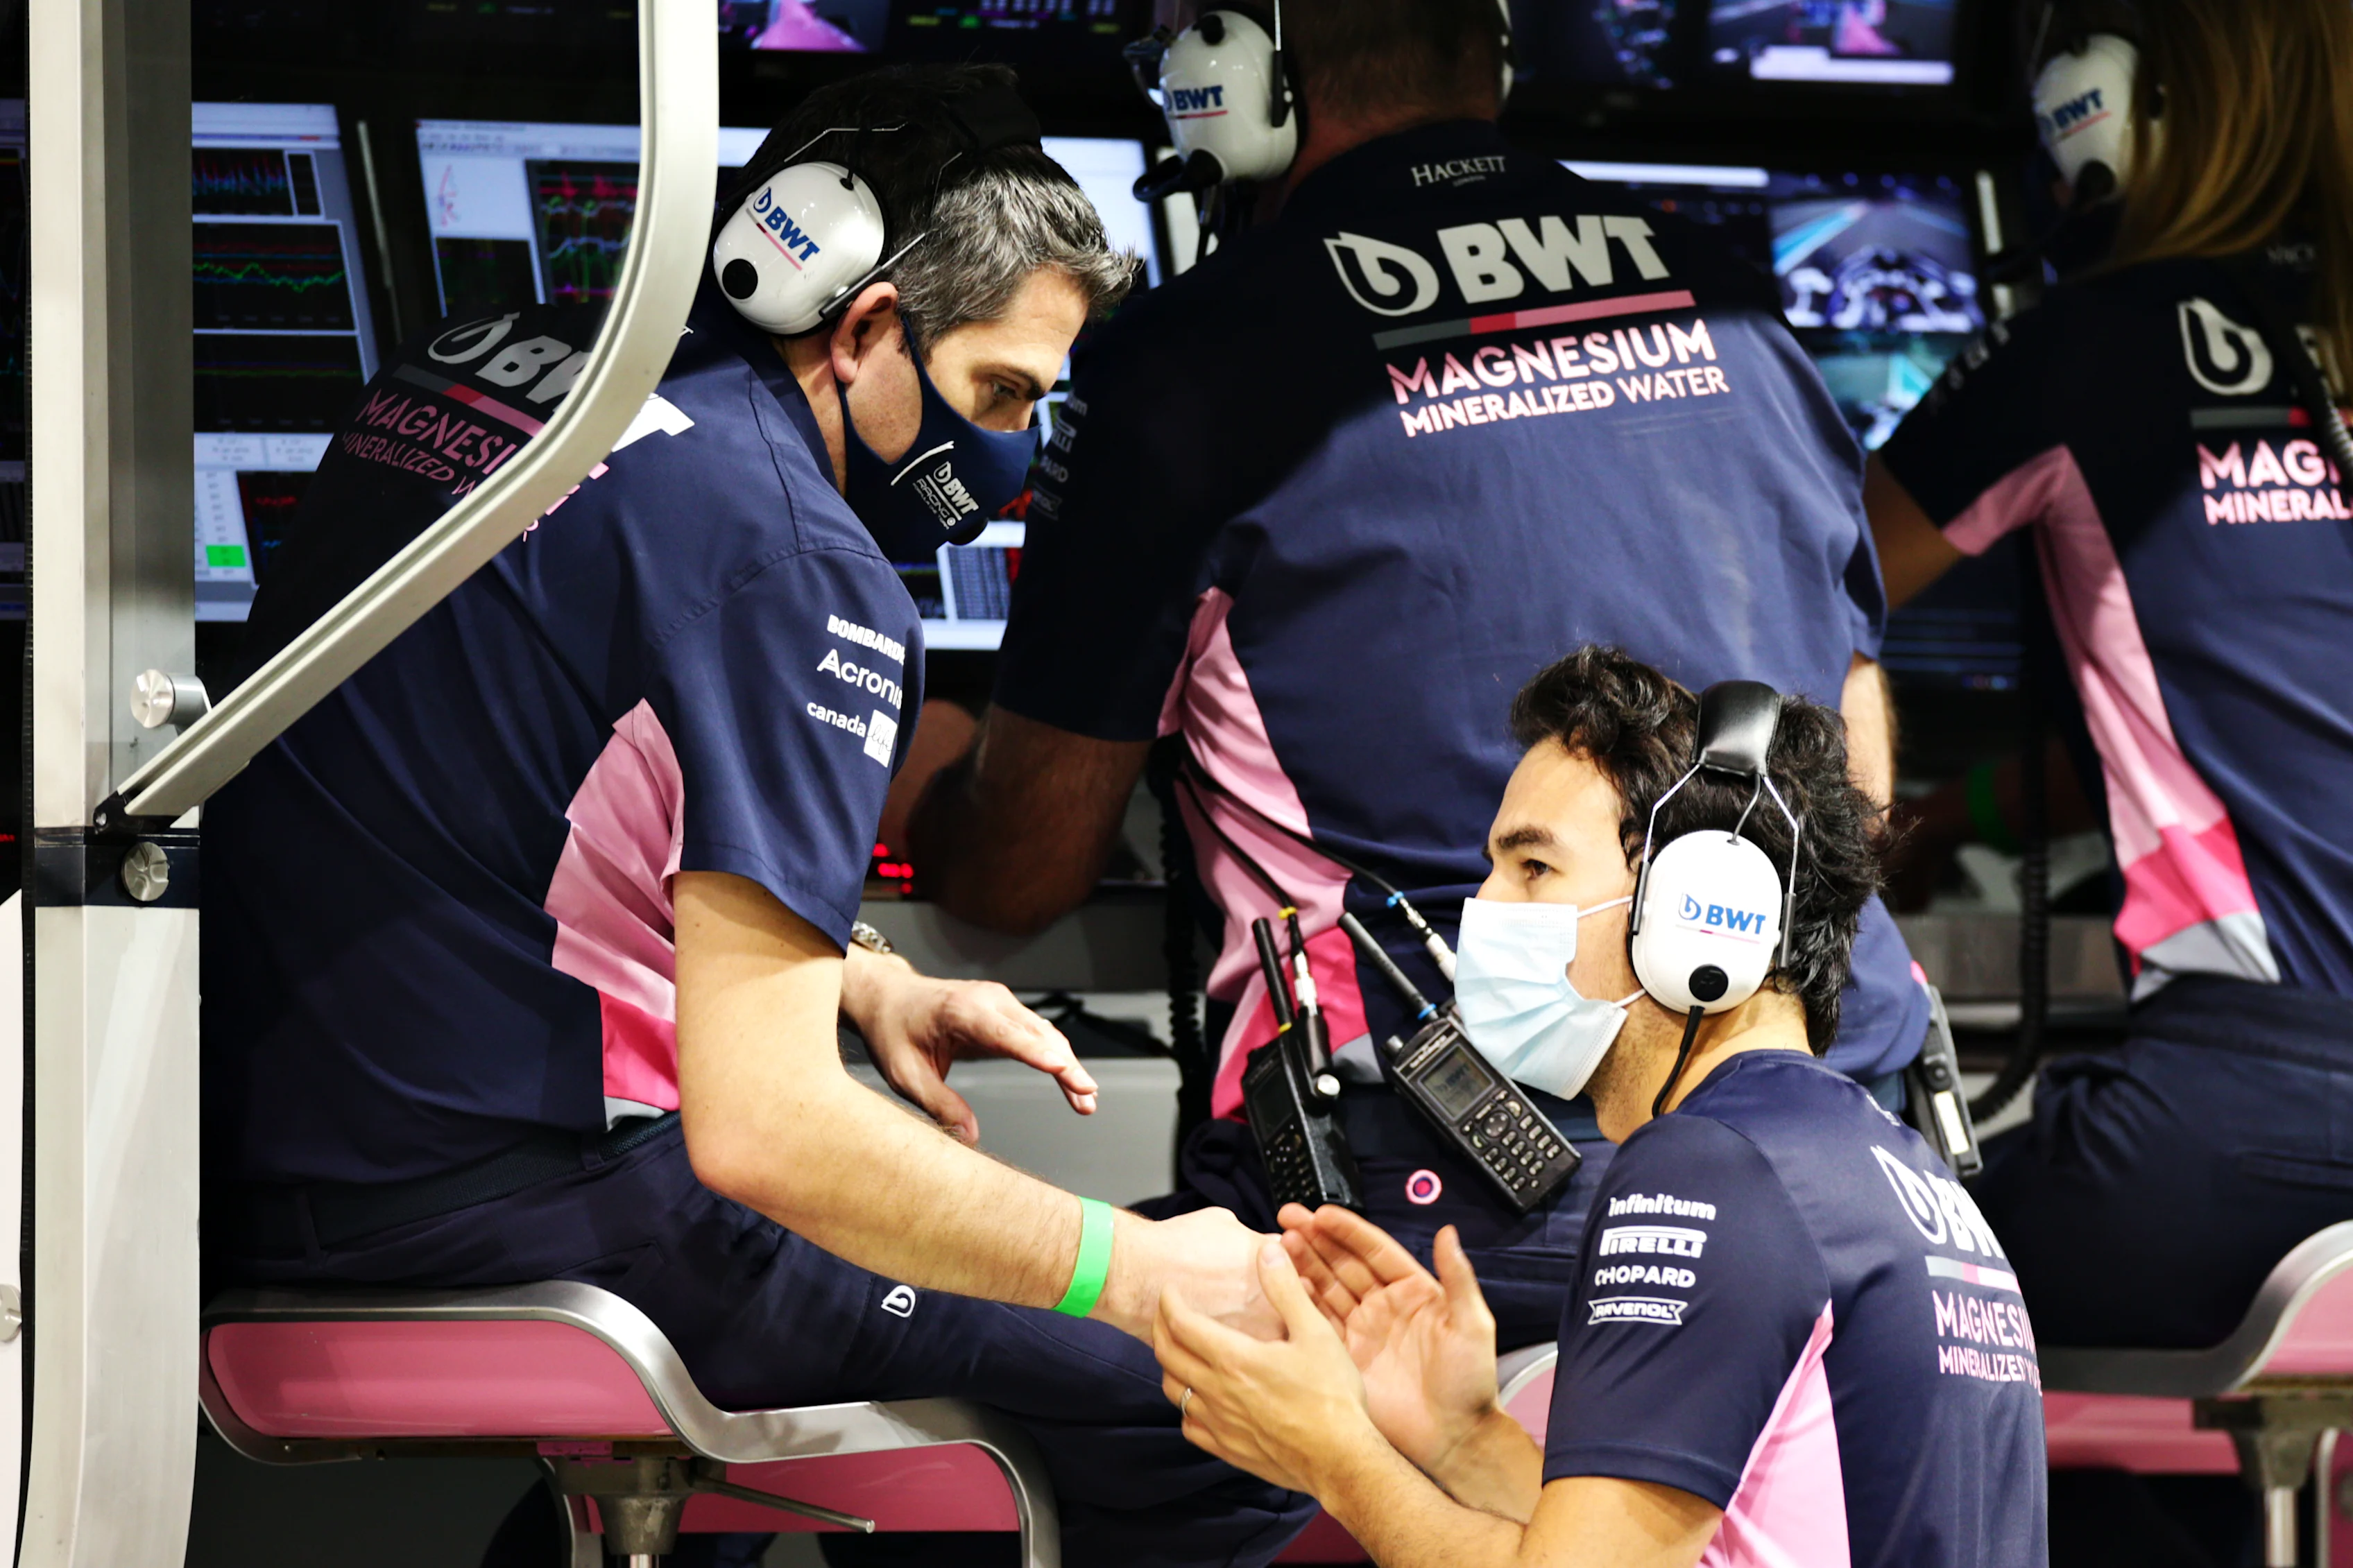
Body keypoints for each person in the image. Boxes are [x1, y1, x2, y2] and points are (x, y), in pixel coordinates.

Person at [203, 65, 1319, 1567]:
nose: (1007, 464)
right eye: (1000, 394)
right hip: (515, 1201)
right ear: (862, 326)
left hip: (264, 1169)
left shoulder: (488, 367)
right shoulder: (799, 562)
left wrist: (853, 972)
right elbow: (768, 1134)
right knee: (1203, 1409)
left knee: (763, 1448)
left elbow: (488, 782)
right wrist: (1138, 1269)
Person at [907, 0, 1928, 1352]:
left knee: (988, 1390)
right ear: (1490, 55)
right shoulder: (1747, 311)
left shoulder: (1190, 363)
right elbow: (1856, 790)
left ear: (1241, 73)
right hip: (1852, 1158)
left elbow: (1012, 878)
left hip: (1453, 1193)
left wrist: (913, 753)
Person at [1150, 647, 2048, 1568]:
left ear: (1702, 916)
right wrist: (1458, 1438)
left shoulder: (1709, 1172)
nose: (1485, 906)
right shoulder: (1899, 1176)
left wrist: (1332, 1456)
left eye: (1534, 868)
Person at [1868, 0, 2353, 1352]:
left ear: (2104, 105)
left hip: (2224, 1134)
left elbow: (1800, 586)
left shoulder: (2092, 343)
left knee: (1852, 1269)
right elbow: (2242, 722)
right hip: (2262, 1119)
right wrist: (1955, 822)